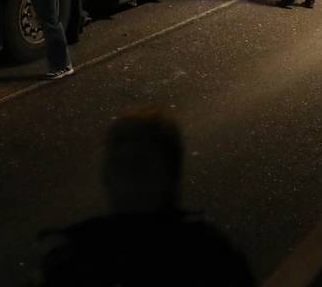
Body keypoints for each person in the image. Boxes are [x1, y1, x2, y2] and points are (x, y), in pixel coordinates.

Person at [38, 109, 255, 286]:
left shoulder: (78, 257)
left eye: (140, 166)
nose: (129, 178)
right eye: (121, 165)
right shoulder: (210, 254)